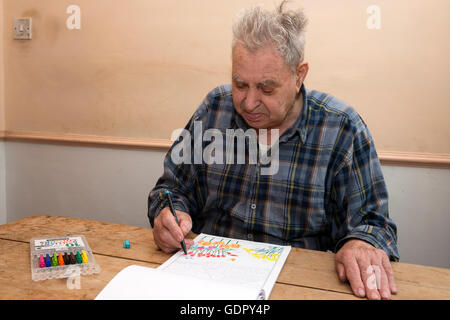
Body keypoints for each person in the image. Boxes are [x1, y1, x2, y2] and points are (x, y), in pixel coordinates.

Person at [148, 1, 399, 300]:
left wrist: (361, 243)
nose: (249, 102)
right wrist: (167, 212)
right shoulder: (214, 108)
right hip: (205, 282)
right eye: (240, 84)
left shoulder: (342, 128)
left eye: (266, 89)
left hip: (297, 289)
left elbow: (374, 223)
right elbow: (170, 188)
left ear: (299, 75)